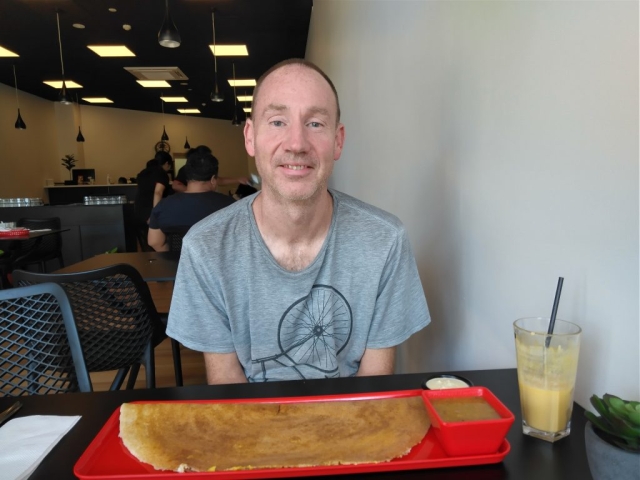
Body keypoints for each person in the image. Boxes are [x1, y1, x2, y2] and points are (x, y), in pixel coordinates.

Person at [167, 58, 430, 384]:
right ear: (250, 137)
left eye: (316, 124)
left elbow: (372, 388)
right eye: (277, 122)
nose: (296, 144)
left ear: (338, 140)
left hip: (351, 424)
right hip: (252, 426)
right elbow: (229, 393)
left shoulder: (384, 240)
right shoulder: (206, 246)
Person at [147, 150, 235, 252]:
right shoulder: (230, 205)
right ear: (213, 179)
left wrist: (179, 259)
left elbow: (154, 242)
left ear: (187, 177)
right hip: (218, 265)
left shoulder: (163, 206)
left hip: (178, 266)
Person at [133, 152, 173, 251]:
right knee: (159, 244)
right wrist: (155, 215)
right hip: (149, 212)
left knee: (146, 245)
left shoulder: (143, 172)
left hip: (138, 210)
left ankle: (149, 265)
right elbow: (158, 193)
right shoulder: (162, 174)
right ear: (167, 163)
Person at [172, 145, 252, 194]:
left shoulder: (207, 170)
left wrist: (238, 179)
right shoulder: (186, 168)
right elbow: (175, 185)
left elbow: (218, 180)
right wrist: (194, 192)